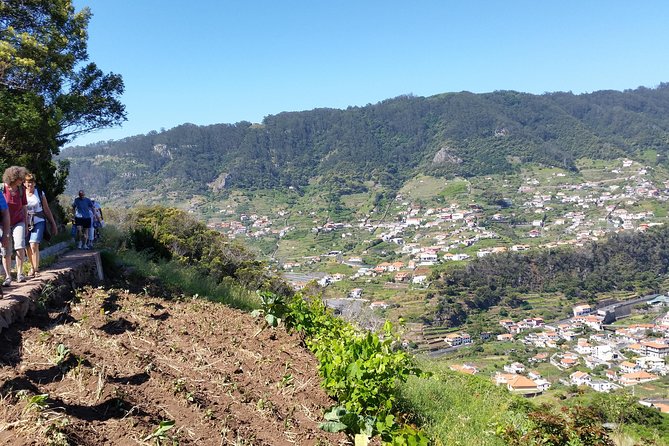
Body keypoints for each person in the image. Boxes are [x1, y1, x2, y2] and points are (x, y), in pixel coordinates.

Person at [24, 174, 58, 276]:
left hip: (39, 220)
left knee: (34, 244)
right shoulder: (21, 194)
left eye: (32, 182)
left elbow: (46, 209)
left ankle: (36, 269)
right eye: (28, 182)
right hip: (26, 221)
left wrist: (53, 224)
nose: (30, 184)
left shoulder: (39, 193)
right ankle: (31, 267)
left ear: (34, 183)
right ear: (24, 183)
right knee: (27, 247)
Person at [1, 166, 29, 285]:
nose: (22, 181)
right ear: (13, 178)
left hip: (19, 221)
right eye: (20, 179)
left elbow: (24, 208)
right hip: (2, 223)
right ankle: (8, 277)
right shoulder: (2, 189)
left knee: (19, 245)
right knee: (5, 250)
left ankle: (20, 273)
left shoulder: (21, 190)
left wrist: (27, 224)